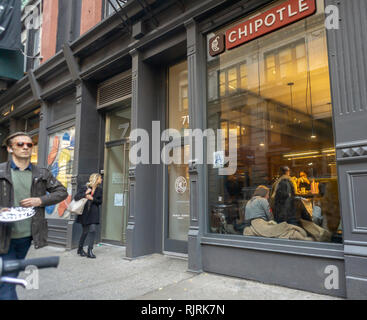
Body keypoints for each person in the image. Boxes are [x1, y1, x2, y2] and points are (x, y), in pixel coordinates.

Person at [0, 132, 68, 300]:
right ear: (10, 148)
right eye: (20, 144)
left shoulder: (41, 173)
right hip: (2, 234)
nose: (25, 147)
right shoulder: (1, 171)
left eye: (29, 145)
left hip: (27, 236)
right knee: (7, 281)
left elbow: (62, 192)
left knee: (9, 276)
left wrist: (40, 200)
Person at [244, 186, 312, 241]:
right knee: (283, 228)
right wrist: (273, 222)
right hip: (262, 224)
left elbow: (246, 218)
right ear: (264, 194)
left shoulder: (249, 202)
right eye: (267, 194)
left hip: (252, 225)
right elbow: (269, 214)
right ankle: (301, 237)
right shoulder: (262, 200)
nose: (268, 197)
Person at [75, 173, 103, 259]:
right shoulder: (85, 187)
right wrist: (85, 194)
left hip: (94, 213)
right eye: (100, 178)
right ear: (96, 179)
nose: (101, 180)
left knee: (93, 230)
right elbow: (76, 197)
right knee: (85, 231)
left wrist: (92, 199)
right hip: (85, 213)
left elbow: (100, 201)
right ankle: (80, 249)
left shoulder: (99, 189)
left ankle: (90, 250)